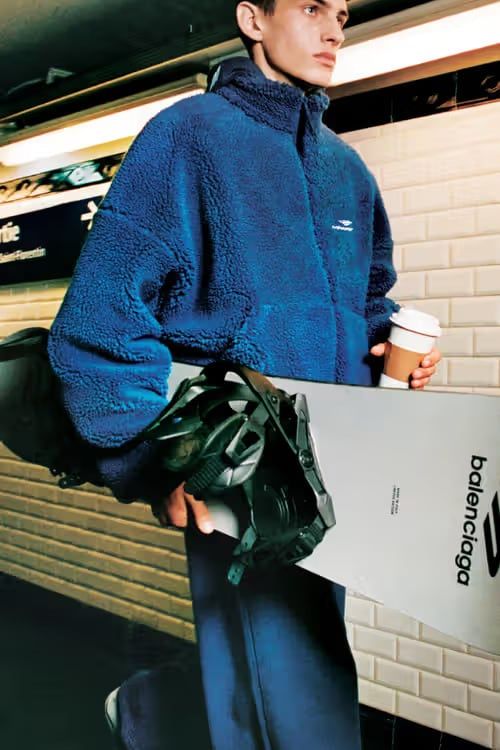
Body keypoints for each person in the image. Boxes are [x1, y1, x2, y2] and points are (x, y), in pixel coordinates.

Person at [48, 1, 441, 748]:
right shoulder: (189, 136)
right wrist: (158, 459)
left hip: (339, 461)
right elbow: (101, 318)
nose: (334, 29)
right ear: (252, 20)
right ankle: (156, 711)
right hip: (239, 460)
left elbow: (366, 303)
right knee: (294, 697)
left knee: (294, 661)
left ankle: (154, 711)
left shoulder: (345, 169)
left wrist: (393, 347)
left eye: (342, 12)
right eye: (311, 6)